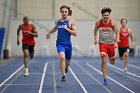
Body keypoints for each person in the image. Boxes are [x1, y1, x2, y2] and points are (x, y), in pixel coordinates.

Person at [46, 5, 77, 82]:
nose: (64, 13)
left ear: (68, 12)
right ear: (60, 12)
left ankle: (66, 67)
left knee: (68, 62)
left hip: (68, 45)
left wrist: (67, 29)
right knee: (62, 57)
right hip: (60, 44)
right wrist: (49, 32)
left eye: (65, 12)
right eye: (62, 11)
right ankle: (63, 75)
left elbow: (75, 33)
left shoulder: (71, 21)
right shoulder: (58, 21)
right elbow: (55, 28)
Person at [94, 7, 119, 85]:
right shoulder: (98, 23)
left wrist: (116, 42)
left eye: (107, 15)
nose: (106, 16)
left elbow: (117, 33)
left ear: (109, 15)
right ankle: (105, 78)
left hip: (111, 44)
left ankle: (107, 60)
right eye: (104, 15)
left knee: (112, 62)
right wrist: (95, 38)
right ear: (102, 15)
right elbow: (95, 30)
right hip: (102, 44)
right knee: (104, 60)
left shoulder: (113, 23)